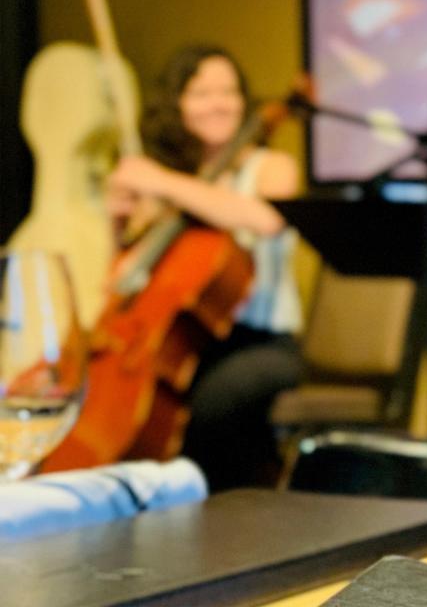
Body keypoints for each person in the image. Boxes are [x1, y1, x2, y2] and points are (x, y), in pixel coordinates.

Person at [106, 44, 303, 490]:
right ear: (177, 105)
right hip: (186, 342)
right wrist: (115, 219)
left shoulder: (271, 167)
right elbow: (124, 275)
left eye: (229, 91)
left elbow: (265, 218)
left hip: (263, 345)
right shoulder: (173, 184)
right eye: (201, 93)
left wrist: (162, 182)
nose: (218, 103)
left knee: (213, 402)